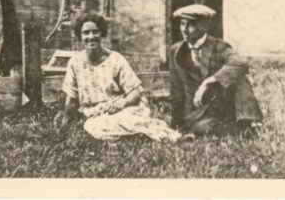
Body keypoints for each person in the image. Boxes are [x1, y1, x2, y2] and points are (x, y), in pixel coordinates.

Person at [54, 14, 187, 142]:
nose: (91, 37)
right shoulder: (75, 63)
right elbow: (72, 100)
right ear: (80, 36)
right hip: (95, 114)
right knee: (93, 125)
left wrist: (123, 103)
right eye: (86, 33)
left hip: (122, 108)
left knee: (123, 120)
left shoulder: (115, 59)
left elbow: (135, 93)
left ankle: (158, 134)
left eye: (95, 32)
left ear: (102, 34)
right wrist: (64, 126)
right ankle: (137, 135)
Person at [169, 4, 263, 137]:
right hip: (196, 111)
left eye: (190, 25)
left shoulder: (219, 46)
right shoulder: (176, 51)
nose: (184, 29)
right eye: (182, 24)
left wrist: (208, 82)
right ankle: (237, 129)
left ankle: (247, 123)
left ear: (204, 26)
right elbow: (176, 90)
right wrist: (175, 126)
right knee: (201, 128)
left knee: (239, 77)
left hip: (220, 106)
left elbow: (240, 63)